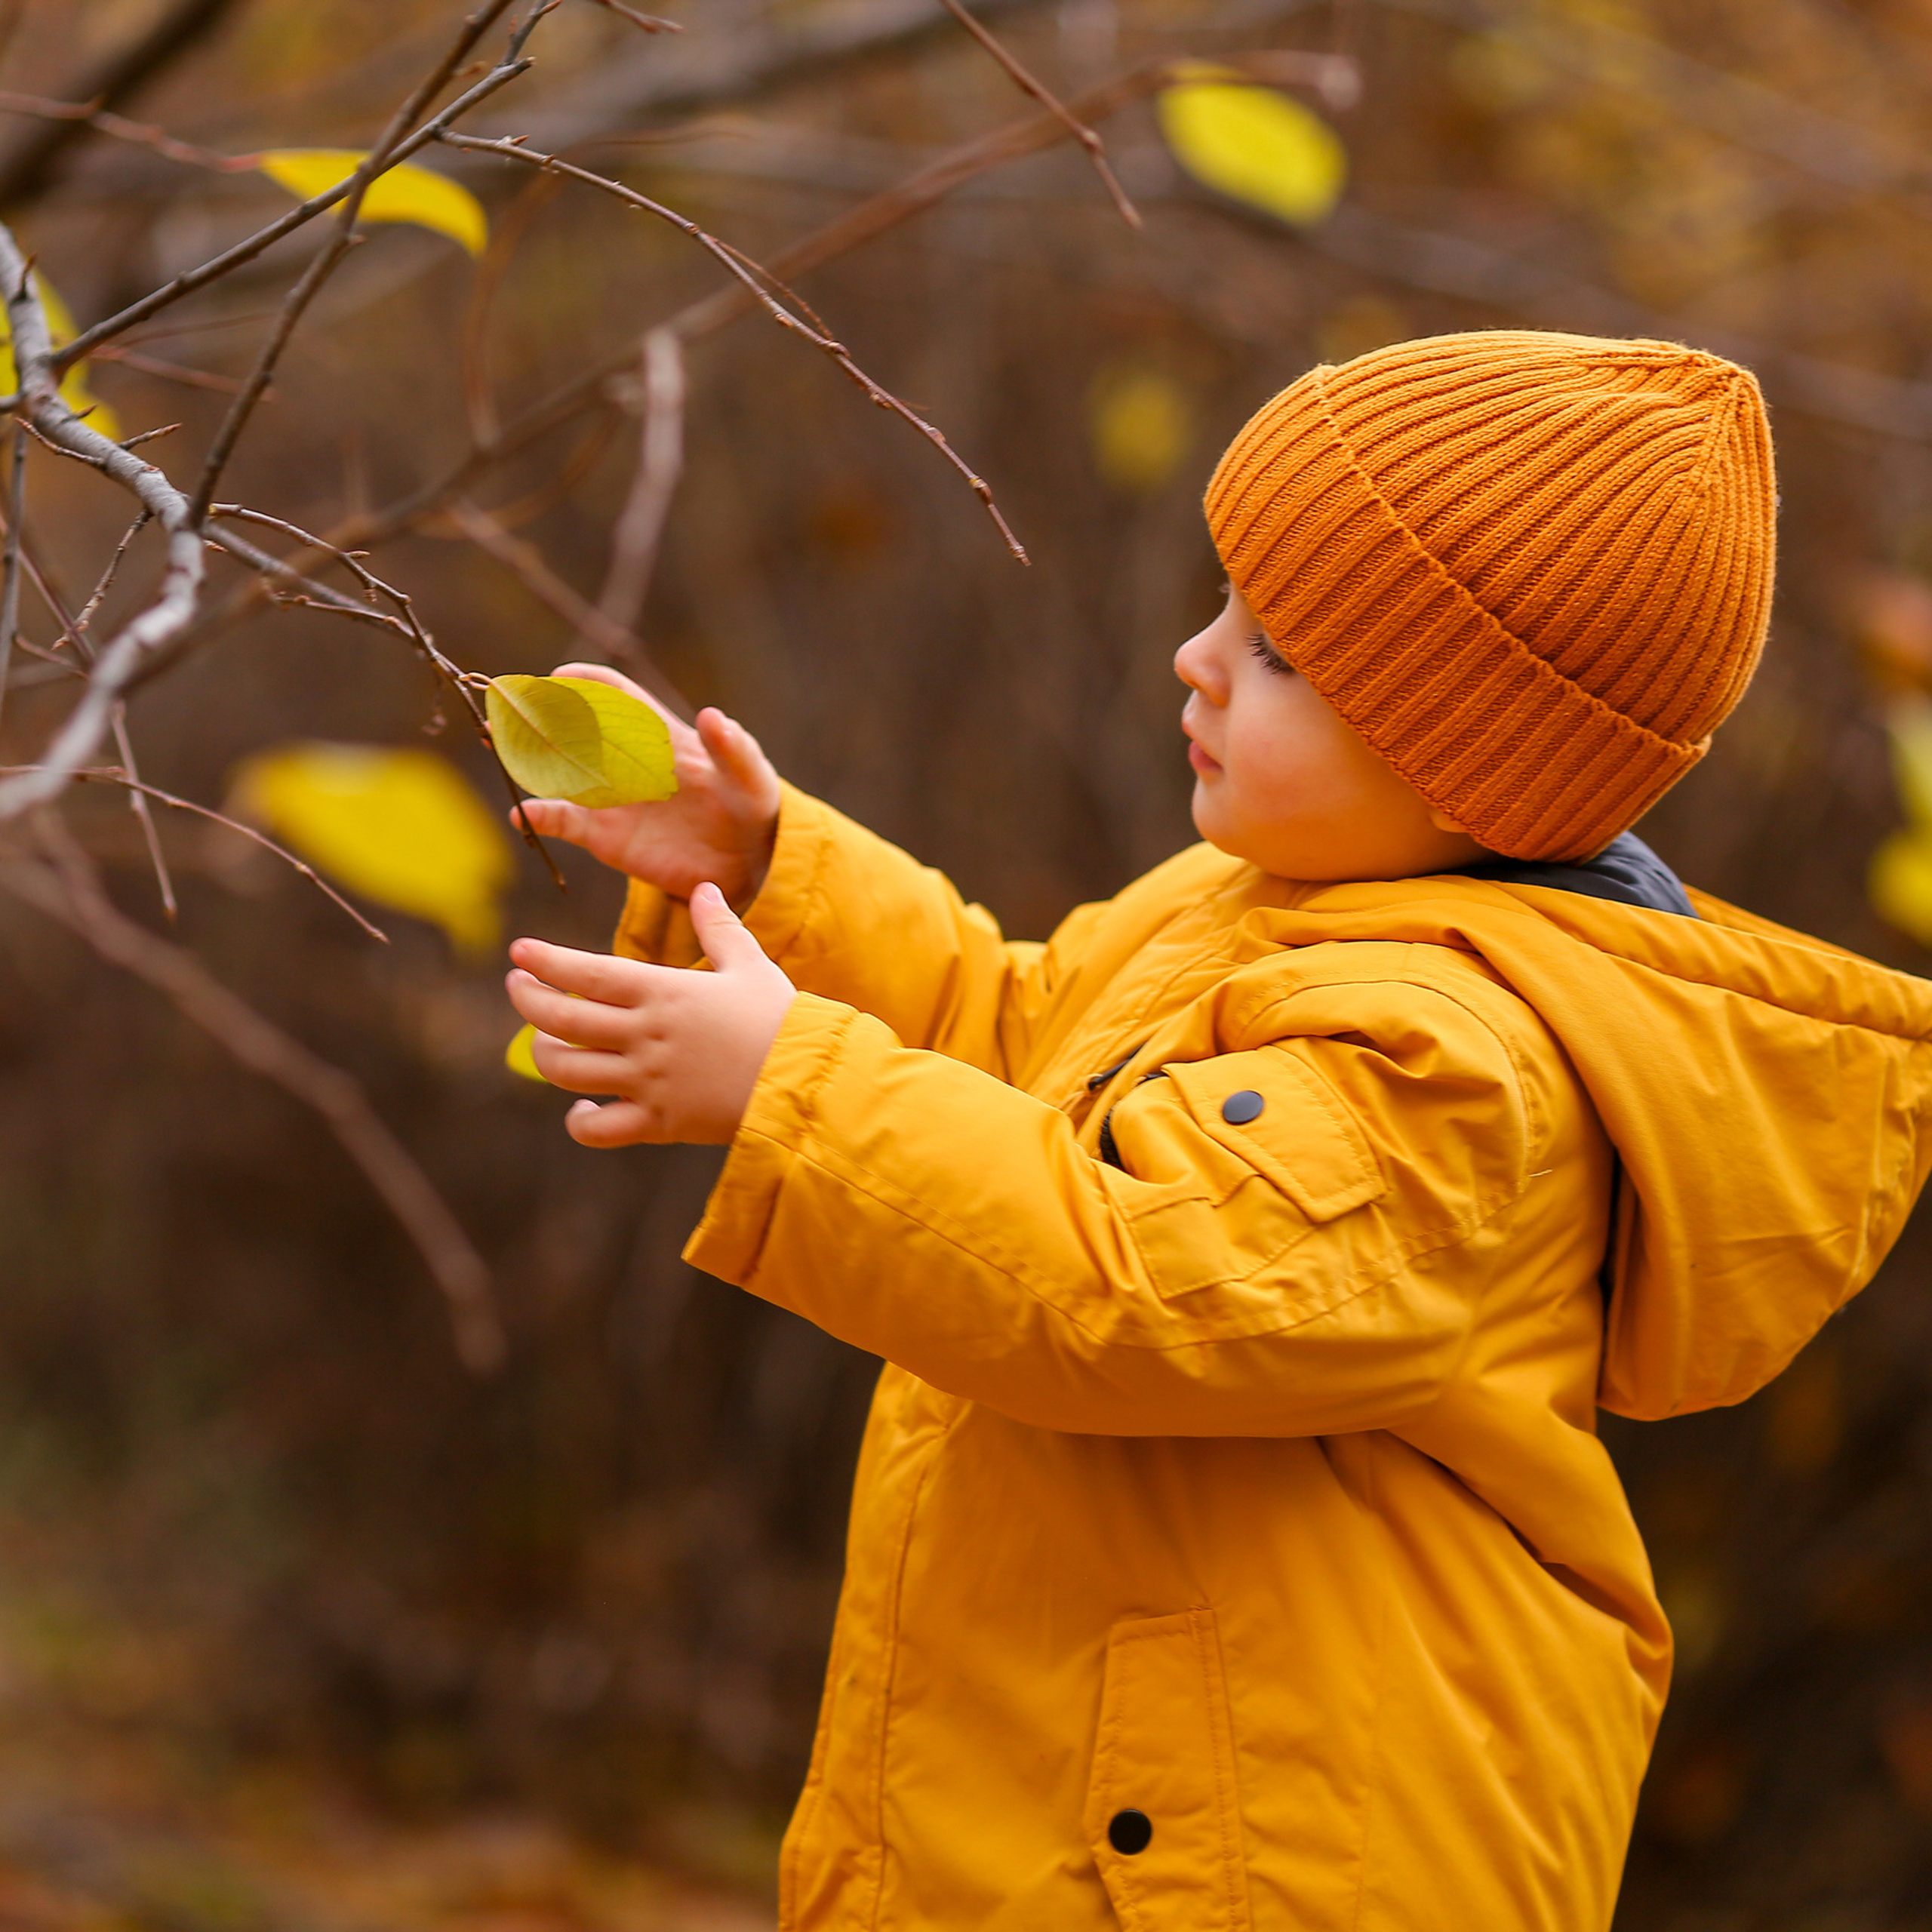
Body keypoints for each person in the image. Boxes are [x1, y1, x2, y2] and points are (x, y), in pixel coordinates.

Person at [503, 331, 1932, 1931]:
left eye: (1278, 656)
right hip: (1098, 1804)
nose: (1194, 656)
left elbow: (1122, 1271)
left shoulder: (1457, 1069)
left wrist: (791, 1085)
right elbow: (1024, 1049)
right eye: (1224, 607)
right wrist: (775, 875)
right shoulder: (1261, 908)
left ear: (1465, 763)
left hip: (1267, 1860)